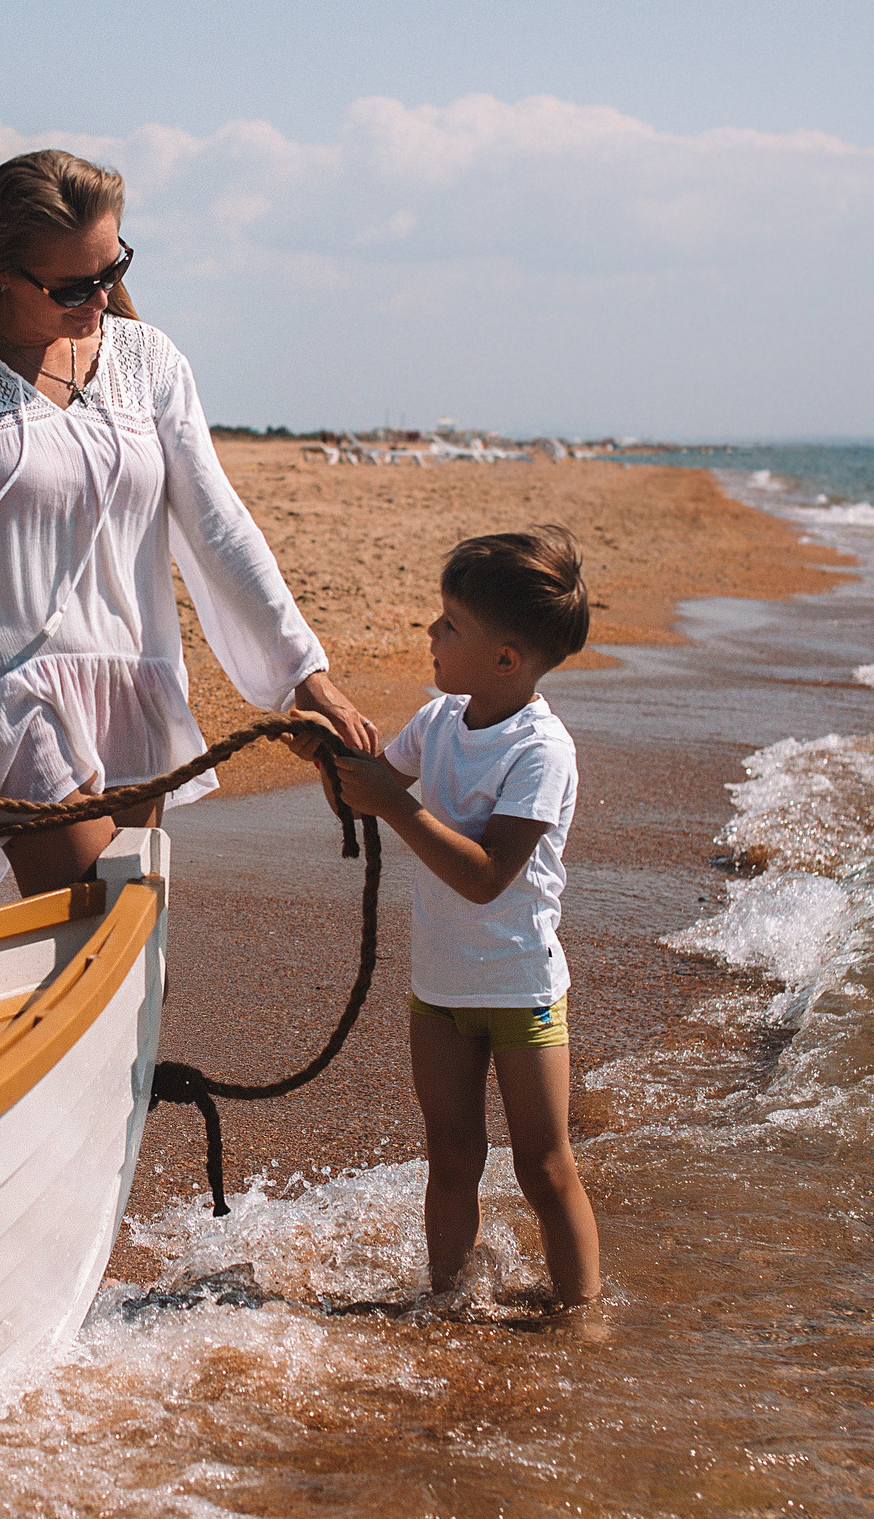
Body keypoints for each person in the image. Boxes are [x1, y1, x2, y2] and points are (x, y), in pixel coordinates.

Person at [0, 149, 378, 901]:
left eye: (111, 269)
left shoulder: (148, 360)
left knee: (129, 951)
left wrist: (304, 676)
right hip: (6, 700)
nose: (98, 298)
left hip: (131, 687)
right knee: (99, 920)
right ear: (0, 267)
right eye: (70, 285)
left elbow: (219, 526)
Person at [297, 528, 602, 1307]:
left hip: (519, 988)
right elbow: (368, 789)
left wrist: (394, 803)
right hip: (439, 986)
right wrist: (332, 759)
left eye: (449, 624)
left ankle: (582, 1315)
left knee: (543, 1164)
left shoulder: (541, 749)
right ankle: (448, 1298)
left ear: (505, 658)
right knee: (452, 1153)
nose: (430, 634)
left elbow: (488, 876)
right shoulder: (438, 722)